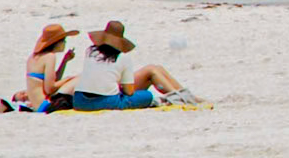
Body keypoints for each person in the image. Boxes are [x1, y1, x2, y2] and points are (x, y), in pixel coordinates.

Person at [66, 21, 196, 110]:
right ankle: (181, 96)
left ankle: (184, 95)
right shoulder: (123, 57)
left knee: (156, 69)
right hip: (104, 102)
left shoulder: (90, 51)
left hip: (80, 101)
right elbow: (128, 91)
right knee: (147, 95)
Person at [0, 23, 79, 112]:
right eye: (64, 40)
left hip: (38, 106)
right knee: (79, 78)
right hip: (46, 105)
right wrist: (69, 79)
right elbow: (50, 88)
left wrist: (64, 61)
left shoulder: (33, 57)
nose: (65, 43)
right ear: (57, 42)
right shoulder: (50, 56)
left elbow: (51, 80)